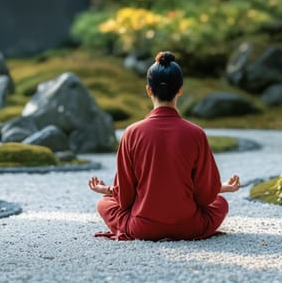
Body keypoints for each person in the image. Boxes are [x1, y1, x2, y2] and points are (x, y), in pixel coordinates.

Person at [88, 51, 241, 241]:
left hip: (142, 228)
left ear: (149, 90)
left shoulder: (131, 133)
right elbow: (205, 196)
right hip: (189, 227)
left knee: (104, 204)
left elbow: (125, 197)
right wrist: (222, 188)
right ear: (180, 90)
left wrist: (107, 191)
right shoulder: (196, 133)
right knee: (220, 203)